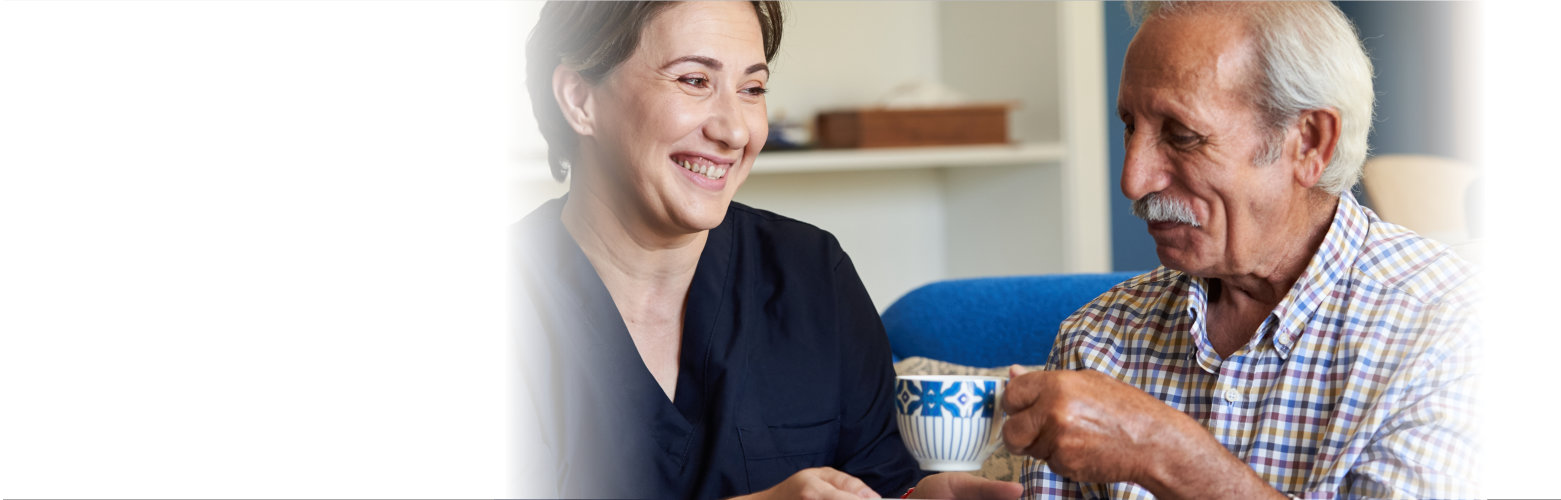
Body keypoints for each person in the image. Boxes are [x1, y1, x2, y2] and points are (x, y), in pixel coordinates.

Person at [508, 2, 1021, 499]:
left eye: (752, 89)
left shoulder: (813, 274)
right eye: (694, 80)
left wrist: (916, 498)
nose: (735, 131)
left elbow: (880, 478)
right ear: (579, 99)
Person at [1003, 2, 1478, 499]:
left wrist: (1164, 452)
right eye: (1129, 126)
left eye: (1182, 136)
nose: (1134, 179)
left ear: (1309, 143)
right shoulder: (1096, 342)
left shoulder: (1451, 331)